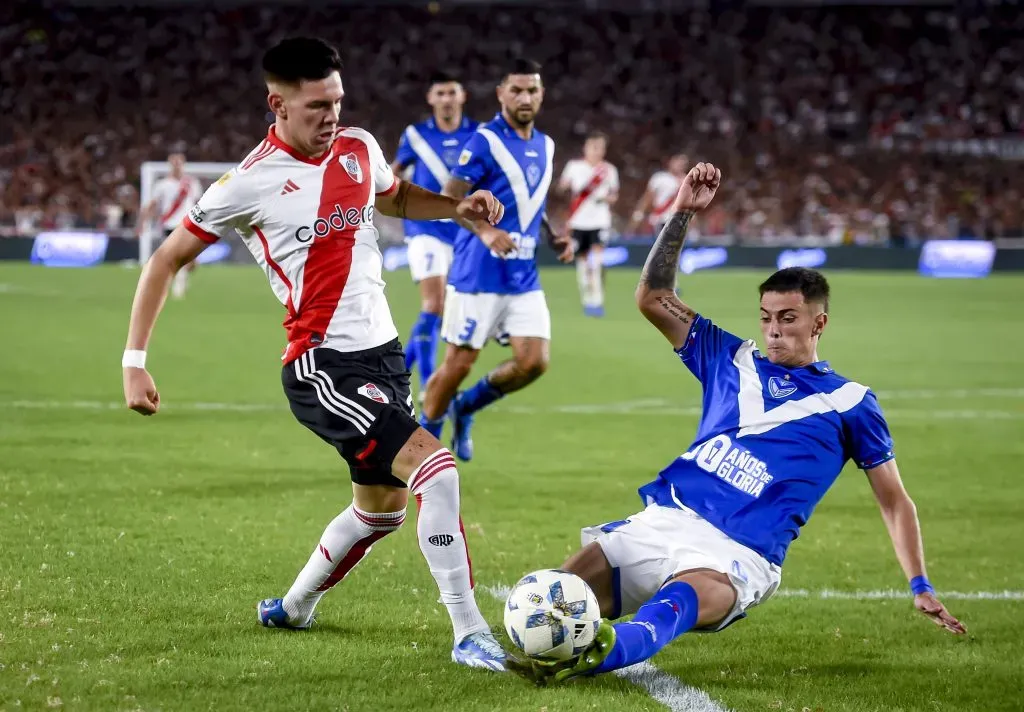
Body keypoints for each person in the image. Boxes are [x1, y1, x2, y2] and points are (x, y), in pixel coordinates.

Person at [121, 37, 508, 671]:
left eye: (337, 101)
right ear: (276, 103)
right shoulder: (247, 183)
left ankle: (295, 606)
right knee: (436, 471)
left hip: (383, 357)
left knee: (378, 512)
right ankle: (469, 632)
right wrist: (134, 362)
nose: (331, 116)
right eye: (315, 107)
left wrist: (458, 211)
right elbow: (165, 259)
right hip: (321, 365)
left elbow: (392, 196)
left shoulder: (358, 147)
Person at [510, 162, 966, 685]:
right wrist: (681, 212)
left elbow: (893, 499)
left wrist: (919, 583)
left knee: (682, 598)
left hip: (739, 552)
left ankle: (606, 653)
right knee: (565, 587)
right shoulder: (731, 359)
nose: (773, 331)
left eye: (788, 319)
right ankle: (554, 649)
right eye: (767, 317)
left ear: (818, 323)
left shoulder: (852, 402)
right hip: (668, 519)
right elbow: (652, 298)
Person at [418, 58, 573, 462]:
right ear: (501, 94)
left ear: (542, 94)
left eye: (532, 90)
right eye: (517, 90)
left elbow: (530, 201)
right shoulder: (484, 141)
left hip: (523, 276)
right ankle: (421, 450)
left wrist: (553, 236)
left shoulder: (546, 144)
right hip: (477, 274)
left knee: (534, 362)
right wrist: (486, 231)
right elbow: (451, 201)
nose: (525, 97)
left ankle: (465, 408)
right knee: (457, 366)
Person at [392, 72, 479, 398]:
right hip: (424, 228)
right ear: (431, 99)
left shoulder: (479, 134)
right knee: (435, 301)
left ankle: (398, 372)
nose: (446, 98)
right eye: (440, 93)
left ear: (462, 96)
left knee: (450, 309)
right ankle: (430, 384)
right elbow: (392, 174)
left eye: (451, 92)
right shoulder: (415, 135)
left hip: (463, 232)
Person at [556, 131, 619, 317]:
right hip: (578, 221)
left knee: (596, 261)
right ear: (586, 148)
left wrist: (606, 198)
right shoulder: (574, 166)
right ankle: (587, 299)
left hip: (600, 221)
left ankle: (597, 301)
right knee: (583, 262)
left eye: (600, 148)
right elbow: (562, 187)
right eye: (594, 147)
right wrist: (563, 186)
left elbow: (614, 195)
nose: (597, 151)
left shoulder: (609, 170)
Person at [137, 152, 202, 299]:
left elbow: (200, 204)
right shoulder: (162, 185)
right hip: (169, 225)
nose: (177, 166)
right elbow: (152, 205)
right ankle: (178, 286)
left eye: (179, 163)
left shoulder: (192, 183)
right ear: (170, 165)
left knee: (191, 261)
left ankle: (181, 279)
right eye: (174, 163)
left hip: (188, 224)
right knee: (174, 258)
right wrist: (142, 222)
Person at [628, 154, 688, 238]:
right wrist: (638, 216)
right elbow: (647, 198)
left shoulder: (687, 180)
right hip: (660, 219)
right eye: (678, 162)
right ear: (671, 161)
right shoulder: (659, 177)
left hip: (678, 221)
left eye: (683, 164)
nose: (681, 166)